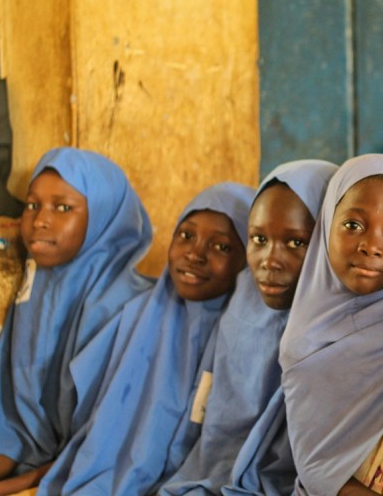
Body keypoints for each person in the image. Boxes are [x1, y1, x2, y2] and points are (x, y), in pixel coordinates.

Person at [0, 148, 153, 495]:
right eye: (33, 205)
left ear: (103, 217)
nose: (41, 220)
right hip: (48, 469)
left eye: (64, 208)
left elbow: (103, 449)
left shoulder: (125, 308)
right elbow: (18, 427)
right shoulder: (40, 289)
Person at [35, 182, 255, 496]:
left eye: (221, 246)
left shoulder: (248, 340)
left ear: (248, 259)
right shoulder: (138, 317)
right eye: (186, 235)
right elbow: (91, 440)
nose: (194, 254)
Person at [159, 160, 337, 496]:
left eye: (296, 243)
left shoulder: (342, 327)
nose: (270, 260)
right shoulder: (244, 301)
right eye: (259, 239)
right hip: (217, 469)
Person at [279, 154, 383, 496]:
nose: (371, 246)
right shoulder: (305, 342)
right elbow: (317, 468)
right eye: (353, 225)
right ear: (326, 225)